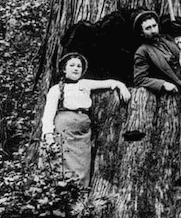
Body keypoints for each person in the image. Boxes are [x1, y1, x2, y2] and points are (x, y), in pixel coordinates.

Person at [42, 52, 130, 186]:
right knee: (63, 162)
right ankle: (62, 195)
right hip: (64, 131)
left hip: (83, 133)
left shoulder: (85, 84)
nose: (76, 68)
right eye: (71, 65)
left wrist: (121, 85)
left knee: (82, 164)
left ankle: (80, 196)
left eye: (79, 66)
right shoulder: (56, 89)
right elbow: (48, 113)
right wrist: (48, 134)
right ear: (64, 69)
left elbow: (109, 83)